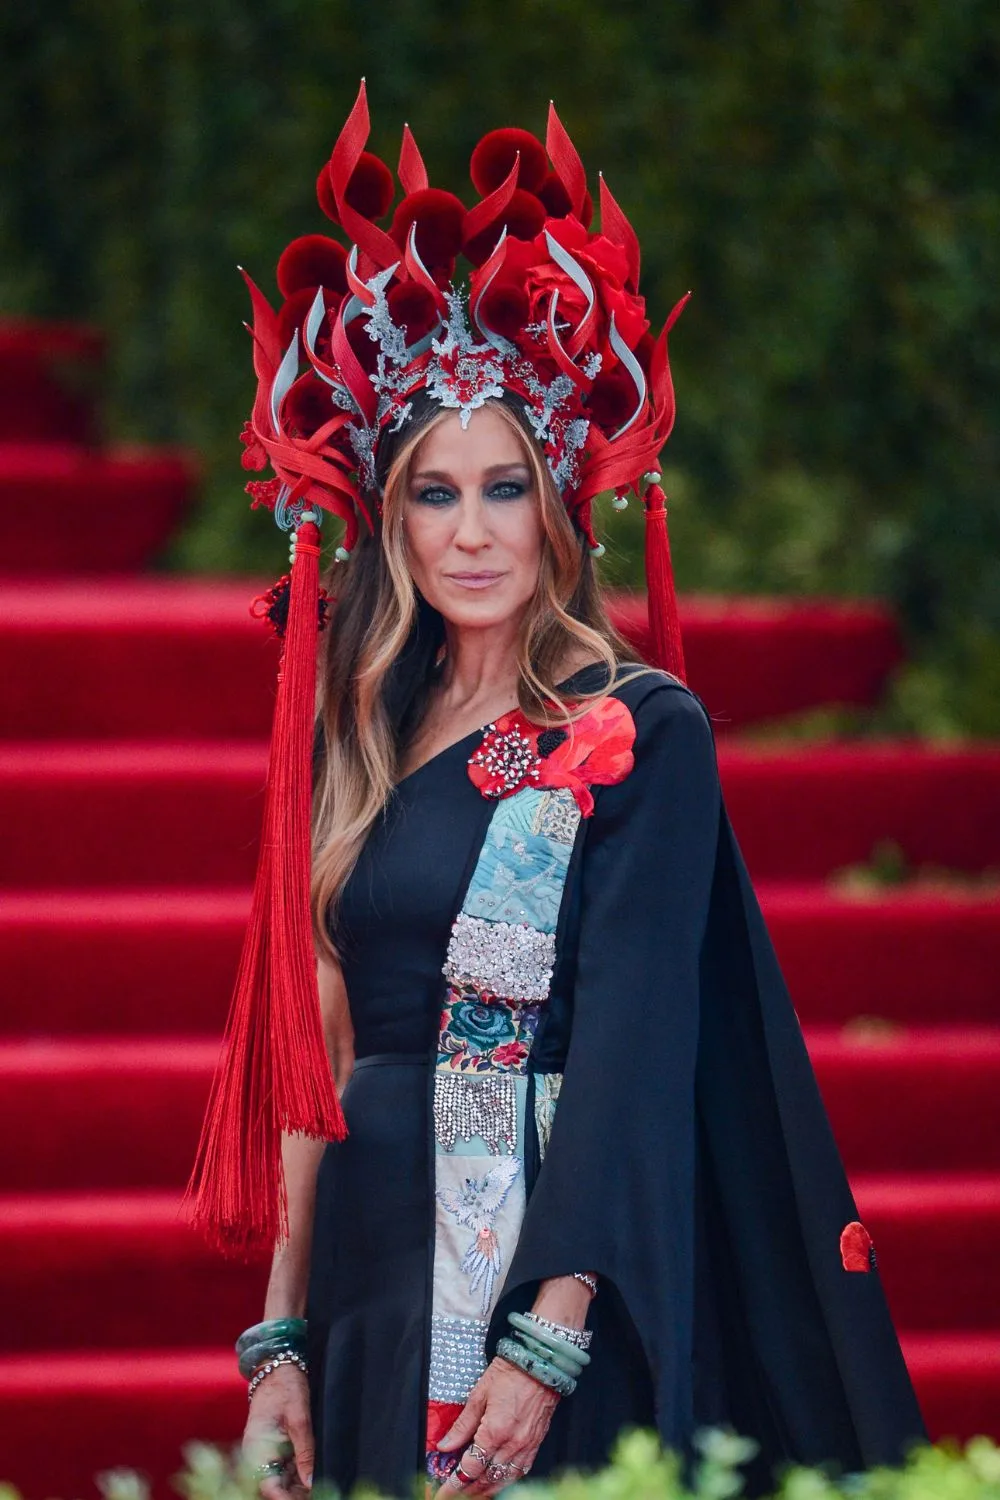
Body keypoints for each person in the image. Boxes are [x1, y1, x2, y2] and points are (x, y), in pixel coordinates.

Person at [187, 84, 928, 1500]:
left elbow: (639, 1056)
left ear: (558, 505)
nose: (473, 533)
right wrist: (276, 1335)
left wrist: (546, 1340)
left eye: (505, 489)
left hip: (538, 1261)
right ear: (388, 519)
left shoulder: (641, 732)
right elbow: (315, 1053)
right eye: (434, 493)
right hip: (365, 1259)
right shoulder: (362, 729)